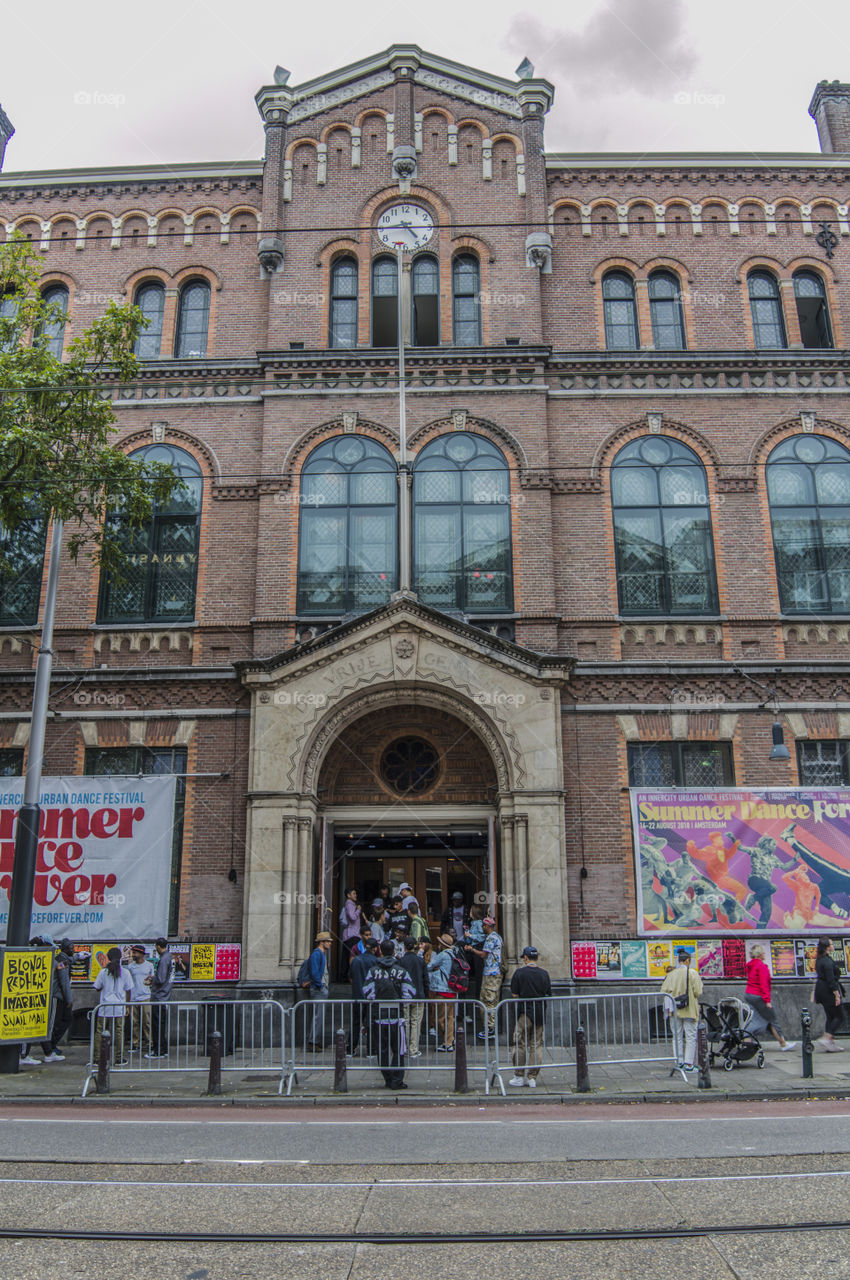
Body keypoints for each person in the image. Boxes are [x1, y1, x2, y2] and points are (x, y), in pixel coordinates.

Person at [362, 939, 415, 1089]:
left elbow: (367, 992)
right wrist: (401, 1002)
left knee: (382, 1050)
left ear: (380, 950)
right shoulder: (401, 971)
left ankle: (388, 1078)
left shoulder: (373, 971)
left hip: (379, 1017)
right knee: (399, 1050)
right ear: (393, 952)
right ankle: (396, 1080)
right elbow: (410, 991)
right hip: (397, 1018)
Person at [508, 946, 551, 1088]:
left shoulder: (519, 973)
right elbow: (547, 994)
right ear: (536, 958)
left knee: (519, 1043)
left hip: (524, 1013)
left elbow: (514, 994)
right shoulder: (544, 974)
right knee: (536, 1044)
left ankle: (519, 1076)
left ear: (525, 958)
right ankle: (532, 1077)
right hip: (539, 1012)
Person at [744, 943, 797, 1051]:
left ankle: (746, 1041)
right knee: (772, 1019)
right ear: (759, 954)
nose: (764, 954)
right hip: (758, 996)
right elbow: (764, 985)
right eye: (763, 952)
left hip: (749, 995)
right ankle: (783, 1044)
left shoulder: (750, 965)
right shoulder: (761, 966)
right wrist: (767, 1001)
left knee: (756, 1019)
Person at [660, 947, 703, 1073]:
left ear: (679, 961)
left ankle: (678, 1062)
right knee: (690, 1036)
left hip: (674, 1010)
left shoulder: (671, 974)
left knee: (676, 1036)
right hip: (689, 1009)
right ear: (688, 961)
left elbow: (664, 990)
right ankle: (689, 1064)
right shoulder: (692, 973)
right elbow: (698, 992)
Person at [93, 947, 133, 1065]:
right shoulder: (125, 972)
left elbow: (97, 987)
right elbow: (128, 990)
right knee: (119, 1032)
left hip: (104, 1006)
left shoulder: (103, 972)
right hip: (119, 1006)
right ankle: (118, 1058)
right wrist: (127, 1006)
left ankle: (97, 1058)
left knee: (100, 1031)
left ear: (108, 958)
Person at [470, 916, 503, 1040]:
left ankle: (490, 1029)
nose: (482, 928)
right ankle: (490, 1027)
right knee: (493, 1001)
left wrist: (472, 950)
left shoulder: (490, 938)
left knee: (487, 1000)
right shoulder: (498, 937)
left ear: (487, 926)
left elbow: (484, 954)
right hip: (495, 973)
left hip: (491, 973)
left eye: (483, 926)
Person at [814, 937, 845, 1051]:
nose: (833, 946)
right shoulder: (826, 961)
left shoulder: (821, 959)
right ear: (827, 947)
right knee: (839, 1016)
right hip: (828, 991)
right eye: (831, 944)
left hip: (822, 990)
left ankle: (830, 1043)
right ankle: (827, 1038)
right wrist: (837, 995)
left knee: (831, 1016)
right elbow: (831, 980)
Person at [426, 933, 457, 1051]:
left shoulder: (443, 955)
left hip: (442, 990)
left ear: (442, 945)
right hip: (452, 990)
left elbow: (429, 966)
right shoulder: (454, 954)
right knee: (449, 1017)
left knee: (438, 1018)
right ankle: (449, 1042)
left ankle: (447, 1040)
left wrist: (435, 968)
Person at [348, 936, 378, 1056]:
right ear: (375, 949)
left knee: (355, 1022)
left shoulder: (356, 960)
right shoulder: (376, 961)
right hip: (371, 996)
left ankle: (350, 1048)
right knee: (371, 1023)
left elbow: (350, 976)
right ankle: (371, 1050)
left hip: (357, 996)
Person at [399, 935, 427, 1058]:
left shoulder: (401, 961)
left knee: (405, 1021)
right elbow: (426, 979)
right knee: (416, 1022)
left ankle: (404, 1048)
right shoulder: (420, 961)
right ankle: (413, 1049)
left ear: (404, 947)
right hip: (418, 994)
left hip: (405, 995)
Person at [146, 937, 174, 1060]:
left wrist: (152, 979)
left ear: (158, 946)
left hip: (159, 996)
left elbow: (161, 978)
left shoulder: (163, 959)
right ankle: (163, 1048)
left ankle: (158, 1051)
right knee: (161, 1024)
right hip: (165, 995)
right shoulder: (170, 957)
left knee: (157, 1025)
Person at [305, 930, 332, 1051]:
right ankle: (312, 1042)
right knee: (318, 1016)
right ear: (322, 942)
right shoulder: (317, 954)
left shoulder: (321, 954)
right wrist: (320, 986)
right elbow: (314, 972)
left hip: (320, 988)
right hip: (318, 989)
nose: (330, 944)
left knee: (319, 1016)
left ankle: (315, 1041)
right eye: (328, 941)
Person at [127, 943, 154, 1054]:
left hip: (146, 996)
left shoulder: (149, 966)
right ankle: (135, 1043)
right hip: (134, 997)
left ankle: (150, 1043)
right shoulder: (130, 967)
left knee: (147, 1021)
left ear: (141, 954)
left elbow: (153, 980)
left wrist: (151, 981)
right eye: (133, 953)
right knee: (135, 1022)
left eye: (135, 953)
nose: (133, 955)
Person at [338, 887, 363, 982]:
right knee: (351, 956)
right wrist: (358, 910)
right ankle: (350, 977)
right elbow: (352, 917)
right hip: (352, 934)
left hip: (349, 934)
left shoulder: (350, 904)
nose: (355, 895)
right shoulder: (349, 904)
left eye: (356, 893)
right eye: (353, 893)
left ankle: (344, 977)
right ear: (348, 895)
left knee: (346, 956)